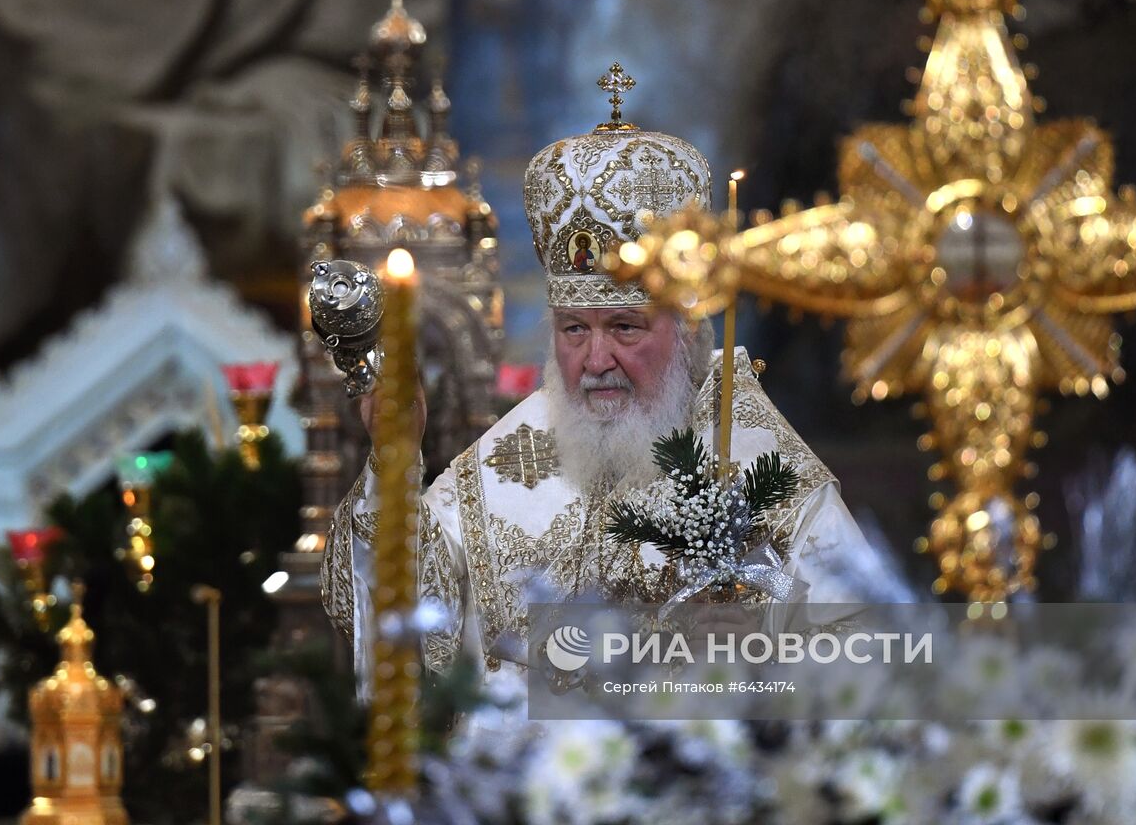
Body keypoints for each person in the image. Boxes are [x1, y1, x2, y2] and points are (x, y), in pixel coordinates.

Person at [321, 100, 874, 687]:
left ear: (686, 331)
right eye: (574, 329)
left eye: (625, 327)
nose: (595, 361)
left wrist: (758, 650)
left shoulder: (759, 460)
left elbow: (865, 652)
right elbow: (384, 619)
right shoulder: (503, 463)